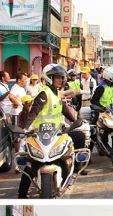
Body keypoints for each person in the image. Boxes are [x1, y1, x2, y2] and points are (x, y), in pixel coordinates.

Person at [18, 64, 86, 198]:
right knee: (31, 163)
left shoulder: (55, 92)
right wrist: (25, 128)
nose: (62, 80)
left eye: (62, 78)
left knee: (79, 136)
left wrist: (74, 120)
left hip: (56, 133)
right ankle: (21, 195)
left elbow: (62, 108)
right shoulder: (44, 93)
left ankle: (76, 167)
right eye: (58, 78)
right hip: (40, 134)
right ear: (49, 78)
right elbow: (34, 111)